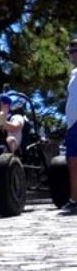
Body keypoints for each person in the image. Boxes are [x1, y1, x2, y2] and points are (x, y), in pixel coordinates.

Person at [61, 38, 77, 213]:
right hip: (73, 124)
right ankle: (74, 199)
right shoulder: (73, 74)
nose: (73, 54)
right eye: (71, 51)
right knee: (73, 161)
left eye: (76, 50)